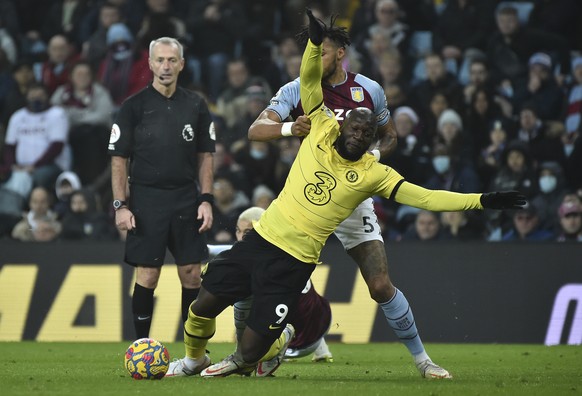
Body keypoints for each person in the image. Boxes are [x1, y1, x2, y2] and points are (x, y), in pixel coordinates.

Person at [169, 10, 526, 380]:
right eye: (314, 51)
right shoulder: (304, 96)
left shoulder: (370, 90)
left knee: (379, 284)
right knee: (249, 233)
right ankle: (260, 340)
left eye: (323, 51)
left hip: (357, 191)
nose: (315, 58)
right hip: (307, 193)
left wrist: (371, 161)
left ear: (340, 53)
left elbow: (392, 142)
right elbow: (257, 130)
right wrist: (292, 126)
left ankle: (422, 360)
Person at [108, 37, 215, 340]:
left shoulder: (195, 104)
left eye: (171, 60)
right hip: (146, 198)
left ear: (181, 64)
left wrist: (206, 199)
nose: (165, 66)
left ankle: (192, 352)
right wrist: (121, 205)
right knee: (148, 275)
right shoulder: (133, 106)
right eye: (160, 60)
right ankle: (142, 345)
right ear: (150, 63)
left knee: (192, 274)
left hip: (185, 196)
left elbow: (205, 156)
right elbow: (119, 159)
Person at [169, 207, 334, 377]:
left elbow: (303, 309)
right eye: (239, 231)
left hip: (300, 339)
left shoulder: (283, 262)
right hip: (317, 325)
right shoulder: (265, 254)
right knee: (244, 285)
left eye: (249, 231)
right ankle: (246, 356)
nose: (243, 236)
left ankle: (280, 339)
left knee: (245, 292)